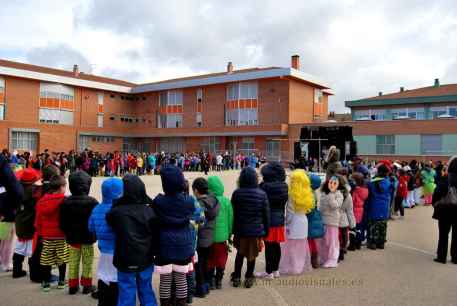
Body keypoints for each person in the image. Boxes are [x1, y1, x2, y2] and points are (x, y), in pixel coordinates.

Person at [106, 175, 158, 306]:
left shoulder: (117, 212)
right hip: (145, 257)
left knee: (126, 293)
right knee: (146, 290)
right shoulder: (149, 211)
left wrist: (117, 202)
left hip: (125, 258)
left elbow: (109, 219)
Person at [152, 166, 195, 306]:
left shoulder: (159, 201)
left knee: (165, 279)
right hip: (184, 244)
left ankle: (165, 304)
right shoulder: (188, 201)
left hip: (164, 245)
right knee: (181, 278)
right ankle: (181, 303)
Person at [230, 167, 270, 288]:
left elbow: (233, 213)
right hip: (255, 230)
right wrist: (266, 231)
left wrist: (233, 230)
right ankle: (248, 277)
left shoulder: (237, 193)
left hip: (241, 230)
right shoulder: (262, 194)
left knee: (240, 254)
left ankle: (237, 277)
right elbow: (266, 215)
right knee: (251, 255)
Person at [60, 170, 98, 294]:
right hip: (88, 238)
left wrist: (66, 232)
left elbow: (62, 221)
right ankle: (86, 285)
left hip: (72, 238)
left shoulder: (65, 202)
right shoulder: (92, 202)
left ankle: (73, 285)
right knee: (87, 261)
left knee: (73, 261)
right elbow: (96, 220)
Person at [88, 177, 123, 306]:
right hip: (118, 251)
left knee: (103, 278)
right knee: (117, 279)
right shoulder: (120, 211)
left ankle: (103, 301)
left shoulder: (96, 209)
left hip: (104, 252)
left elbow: (90, 227)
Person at [34, 175, 69, 292]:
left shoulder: (41, 201)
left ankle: (45, 283)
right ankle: (61, 281)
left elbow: (38, 220)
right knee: (62, 258)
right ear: (61, 187)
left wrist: (40, 234)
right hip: (61, 235)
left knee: (46, 259)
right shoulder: (65, 201)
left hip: (47, 236)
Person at [256, 162, 288, 279]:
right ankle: (276, 270)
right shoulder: (284, 186)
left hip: (268, 221)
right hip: (279, 220)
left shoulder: (264, 186)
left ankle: (269, 272)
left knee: (269, 247)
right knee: (276, 245)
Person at [279, 169, 314, 274]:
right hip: (303, 221)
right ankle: (300, 266)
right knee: (301, 246)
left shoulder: (291, 195)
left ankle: (293, 266)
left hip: (294, 222)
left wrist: (286, 223)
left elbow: (289, 212)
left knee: (291, 246)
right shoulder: (308, 193)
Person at [192, 177, 220, 297]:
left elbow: (196, 222)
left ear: (196, 190)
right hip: (210, 237)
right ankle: (207, 286)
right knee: (206, 263)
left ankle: (201, 289)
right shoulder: (214, 200)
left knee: (199, 265)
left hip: (200, 238)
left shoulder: (198, 204)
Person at [12, 168, 40, 278]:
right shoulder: (35, 192)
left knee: (19, 248)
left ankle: (16, 270)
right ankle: (33, 272)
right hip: (31, 225)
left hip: (19, 223)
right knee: (31, 251)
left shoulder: (17, 190)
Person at [207, 176, 233, 290]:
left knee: (210, 258)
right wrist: (229, 233)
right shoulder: (226, 201)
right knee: (222, 258)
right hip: (222, 237)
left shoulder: (206, 201)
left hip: (209, 237)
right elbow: (230, 219)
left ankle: (211, 280)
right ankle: (219, 280)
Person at [0, 154, 24, 272]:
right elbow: (16, 190)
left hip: (3, 209)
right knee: (7, 238)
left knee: (3, 236)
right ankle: (6, 263)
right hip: (6, 210)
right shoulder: (3, 165)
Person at [432, 156, 457, 264]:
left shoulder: (445, 178)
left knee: (443, 234)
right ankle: (455, 257)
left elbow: (437, 193)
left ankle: (441, 257)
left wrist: (435, 204)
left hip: (445, 209)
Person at [366, 164, 393, 250]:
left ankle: (372, 242)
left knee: (373, 224)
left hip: (374, 205)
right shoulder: (388, 182)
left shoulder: (372, 182)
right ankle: (381, 243)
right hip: (384, 206)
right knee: (383, 224)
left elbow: (368, 194)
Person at [319, 176, 344, 268]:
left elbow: (335, 206)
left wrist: (331, 194)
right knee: (324, 241)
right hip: (323, 220)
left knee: (332, 241)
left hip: (332, 221)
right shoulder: (324, 193)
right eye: (331, 182)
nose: (332, 185)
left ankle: (332, 260)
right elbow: (321, 207)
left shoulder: (338, 194)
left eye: (335, 183)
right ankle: (324, 258)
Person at [348, 172, 369, 251]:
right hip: (361, 210)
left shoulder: (355, 191)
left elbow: (352, 201)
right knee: (359, 228)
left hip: (354, 210)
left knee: (353, 228)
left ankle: (352, 245)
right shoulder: (365, 190)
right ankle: (359, 243)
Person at [337, 174, 356, 262]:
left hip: (333, 218)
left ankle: (336, 252)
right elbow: (350, 211)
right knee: (343, 236)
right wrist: (353, 224)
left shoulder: (332, 193)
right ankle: (342, 249)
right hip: (343, 219)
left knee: (335, 237)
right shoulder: (348, 195)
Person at [307, 173, 322, 268]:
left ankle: (313, 259)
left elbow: (309, 209)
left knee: (310, 240)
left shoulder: (309, 194)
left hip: (310, 217)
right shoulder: (315, 193)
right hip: (315, 217)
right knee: (313, 240)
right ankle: (314, 259)